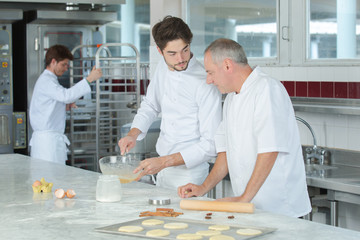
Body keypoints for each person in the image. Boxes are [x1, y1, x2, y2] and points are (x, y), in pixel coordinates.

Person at [178, 38, 311, 218]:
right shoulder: (231, 99)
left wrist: (243, 198)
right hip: (249, 206)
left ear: (227, 65)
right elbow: (225, 152)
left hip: (280, 208)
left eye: (210, 72)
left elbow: (269, 150)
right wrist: (203, 188)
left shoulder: (267, 89)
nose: (208, 80)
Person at [118, 16, 222, 189]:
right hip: (162, 169)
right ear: (160, 51)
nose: (180, 58)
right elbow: (150, 105)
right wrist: (133, 134)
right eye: (172, 53)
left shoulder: (206, 82)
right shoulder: (161, 67)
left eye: (185, 49)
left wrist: (164, 162)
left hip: (191, 173)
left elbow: (210, 144)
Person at [29, 44, 102, 164]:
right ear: (53, 62)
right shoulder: (46, 81)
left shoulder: (49, 81)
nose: (66, 68)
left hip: (49, 142)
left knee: (52, 179)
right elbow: (66, 96)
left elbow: (52, 103)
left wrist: (63, 106)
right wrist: (90, 79)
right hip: (47, 145)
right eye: (63, 64)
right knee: (49, 180)